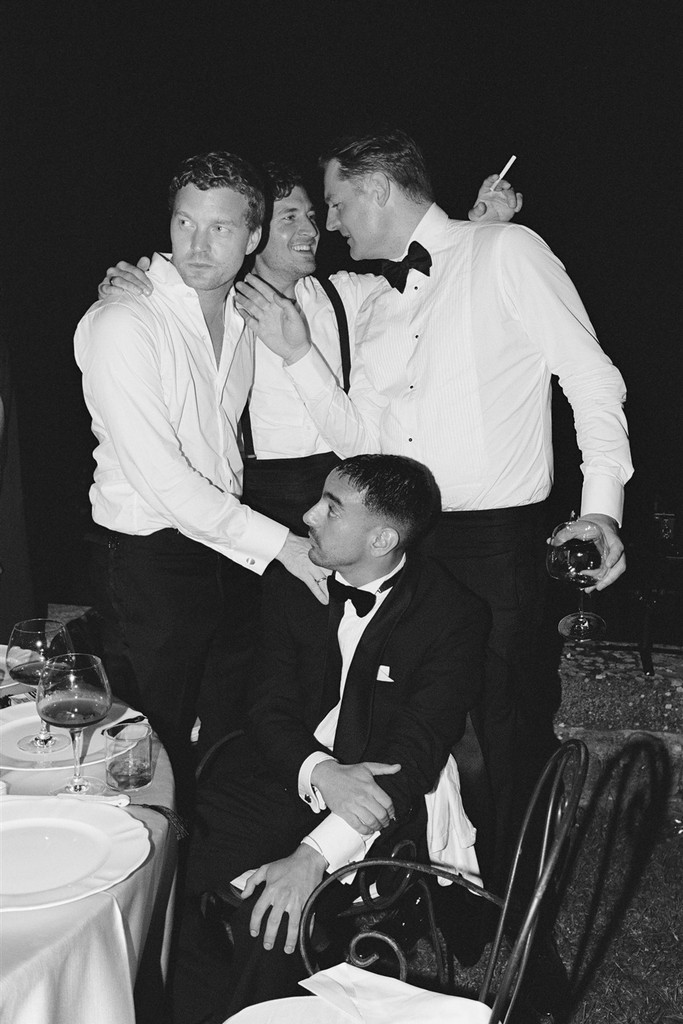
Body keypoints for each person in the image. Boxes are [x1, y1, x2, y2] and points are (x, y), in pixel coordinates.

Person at [235, 128, 634, 882]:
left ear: (379, 188)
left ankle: (518, 907)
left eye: (337, 202)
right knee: (414, 727)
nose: (331, 222)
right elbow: (363, 443)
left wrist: (600, 507)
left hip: (495, 546)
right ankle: (433, 888)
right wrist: (298, 356)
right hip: (405, 549)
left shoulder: (506, 251)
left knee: (504, 729)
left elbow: (591, 378)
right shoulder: (378, 304)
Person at [96, 162, 520, 752]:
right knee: (184, 710)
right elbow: (164, 468)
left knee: (286, 681)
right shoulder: (183, 312)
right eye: (290, 216)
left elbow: (432, 282)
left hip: (320, 501)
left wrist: (481, 231)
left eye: (314, 216)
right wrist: (128, 283)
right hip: (242, 513)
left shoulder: (341, 295)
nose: (311, 229)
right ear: (258, 235)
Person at [171, 454, 489, 1021]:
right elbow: (267, 706)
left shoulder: (453, 614)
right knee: (166, 872)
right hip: (289, 771)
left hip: (383, 802)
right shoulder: (292, 581)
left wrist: (313, 856)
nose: (308, 515)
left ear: (381, 538)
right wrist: (319, 770)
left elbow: (413, 758)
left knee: (269, 916)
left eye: (332, 508)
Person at [73, 151, 330, 809]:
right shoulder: (124, 320)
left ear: (252, 237)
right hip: (147, 562)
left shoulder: (244, 315)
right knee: (141, 754)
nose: (197, 245)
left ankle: (206, 859)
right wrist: (284, 546)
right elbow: (162, 479)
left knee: (223, 731)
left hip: (220, 551)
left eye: (220, 228)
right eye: (185, 223)